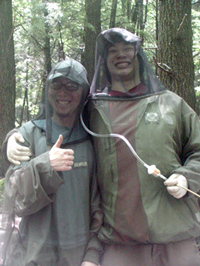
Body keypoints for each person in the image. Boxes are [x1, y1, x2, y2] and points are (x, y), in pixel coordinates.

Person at [4, 28, 200, 266]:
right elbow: (57, 119)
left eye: (127, 49)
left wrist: (186, 177)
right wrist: (13, 137)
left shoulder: (171, 103)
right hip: (120, 243)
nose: (121, 55)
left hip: (176, 239)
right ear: (105, 62)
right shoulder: (93, 109)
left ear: (138, 54)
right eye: (113, 51)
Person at [1, 59, 102, 266]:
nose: (62, 92)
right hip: (32, 254)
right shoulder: (29, 134)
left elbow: (100, 205)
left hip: (77, 255)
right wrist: (45, 165)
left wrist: (92, 255)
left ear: (83, 92)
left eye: (72, 86)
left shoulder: (94, 139)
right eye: (56, 85)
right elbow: (15, 196)